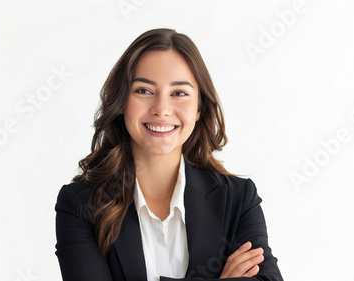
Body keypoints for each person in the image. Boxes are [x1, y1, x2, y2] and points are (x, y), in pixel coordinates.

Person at [55, 28, 283, 281]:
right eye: (144, 90)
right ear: (121, 102)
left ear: (199, 108)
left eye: (179, 93)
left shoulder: (238, 199)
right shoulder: (80, 205)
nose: (161, 109)